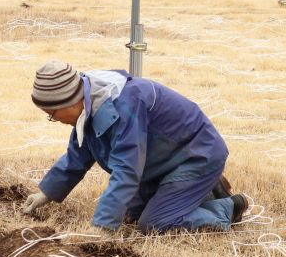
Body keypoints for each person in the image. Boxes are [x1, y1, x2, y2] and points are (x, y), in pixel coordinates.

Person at [22, 60, 248, 234]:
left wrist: (102, 227)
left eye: (52, 114)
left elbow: (127, 170)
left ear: (69, 100)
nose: (53, 119)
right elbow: (79, 154)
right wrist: (46, 193)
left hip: (197, 156)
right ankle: (203, 192)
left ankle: (226, 209)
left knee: (154, 224)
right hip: (164, 161)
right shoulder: (90, 98)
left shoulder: (123, 106)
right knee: (131, 214)